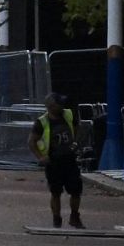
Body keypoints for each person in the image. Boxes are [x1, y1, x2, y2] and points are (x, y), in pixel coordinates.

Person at [29, 92, 85, 228]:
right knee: (56, 192)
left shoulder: (68, 115)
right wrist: (40, 157)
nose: (62, 106)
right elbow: (32, 141)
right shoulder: (42, 122)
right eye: (59, 104)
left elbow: (79, 128)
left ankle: (74, 216)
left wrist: (76, 143)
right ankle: (56, 218)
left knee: (76, 190)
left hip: (70, 159)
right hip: (53, 161)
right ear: (51, 107)